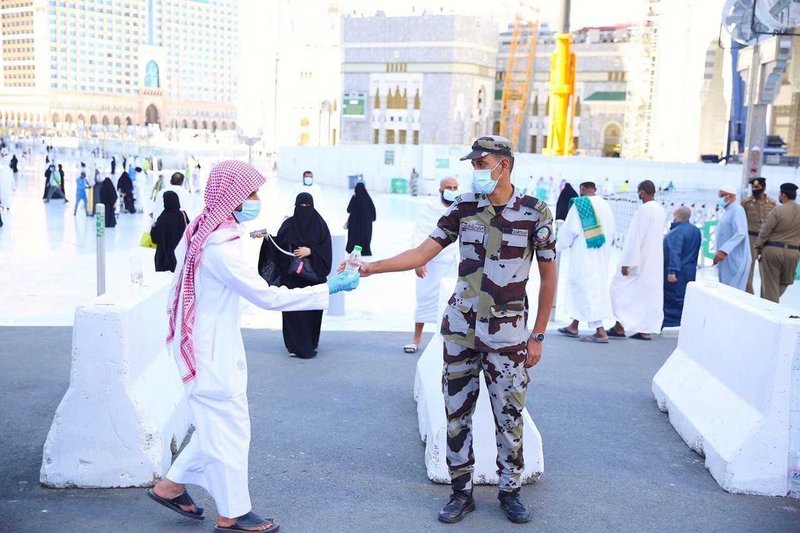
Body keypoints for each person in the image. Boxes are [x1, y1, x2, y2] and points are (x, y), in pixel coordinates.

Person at [349, 136, 557, 524]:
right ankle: (461, 493)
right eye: (473, 165)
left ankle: (509, 491)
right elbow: (422, 252)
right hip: (460, 332)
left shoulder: (535, 212)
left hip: (509, 337)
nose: (476, 172)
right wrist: (372, 267)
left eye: (482, 164)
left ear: (504, 166)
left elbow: (548, 277)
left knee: (509, 416)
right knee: (457, 415)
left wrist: (539, 334)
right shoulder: (463, 207)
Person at [147, 160, 358, 533]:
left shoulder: (203, 229)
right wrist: (329, 288)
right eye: (251, 194)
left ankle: (170, 486)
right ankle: (232, 513)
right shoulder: (220, 247)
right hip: (209, 353)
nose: (256, 200)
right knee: (230, 428)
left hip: (206, 343)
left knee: (218, 425)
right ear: (231, 198)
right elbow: (266, 297)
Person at [272, 192, 332, 358]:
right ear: (295, 207)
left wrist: (311, 251)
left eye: (307, 206)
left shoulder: (320, 225)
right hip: (292, 279)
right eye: (301, 206)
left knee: (311, 311)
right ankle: (294, 345)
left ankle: (311, 343)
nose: (304, 210)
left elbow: (327, 250)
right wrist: (268, 238)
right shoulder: (288, 225)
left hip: (313, 278)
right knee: (293, 311)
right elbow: (279, 245)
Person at [556, 181, 616, 343]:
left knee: (584, 288)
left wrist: (557, 246)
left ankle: (600, 331)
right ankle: (573, 326)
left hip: (583, 254)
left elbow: (569, 230)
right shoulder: (605, 204)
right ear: (595, 188)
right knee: (589, 288)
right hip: (601, 254)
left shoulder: (581, 204)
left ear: (582, 188)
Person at [404, 177, 459, 353]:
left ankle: (445, 340)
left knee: (450, 302)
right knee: (424, 300)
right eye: (448, 187)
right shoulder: (429, 209)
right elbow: (419, 233)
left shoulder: (461, 207)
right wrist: (418, 261)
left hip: (452, 263)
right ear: (440, 190)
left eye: (455, 187)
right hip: (430, 263)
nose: (452, 189)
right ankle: (416, 338)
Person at [609, 180, 666, 340]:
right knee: (647, 295)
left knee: (618, 289)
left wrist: (628, 262)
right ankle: (644, 329)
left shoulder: (644, 210)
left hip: (639, 260)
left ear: (642, 192)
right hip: (653, 260)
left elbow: (635, 237)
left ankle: (620, 326)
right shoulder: (660, 209)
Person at [754, 182, 800, 303]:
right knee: (785, 282)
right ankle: (767, 302)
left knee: (770, 285)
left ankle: (769, 307)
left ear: (783, 195)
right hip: (793, 253)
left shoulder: (778, 210)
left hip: (773, 251)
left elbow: (765, 230)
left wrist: (758, 247)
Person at [662, 206, 701, 328]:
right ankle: (683, 321)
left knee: (673, 297)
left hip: (677, 271)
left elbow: (674, 252)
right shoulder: (695, 231)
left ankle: (672, 322)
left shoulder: (676, 232)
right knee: (685, 297)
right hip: (690, 270)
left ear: (677, 216)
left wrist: (672, 271)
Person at [742, 177, 776, 294]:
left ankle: (766, 296)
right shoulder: (746, 202)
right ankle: (748, 293)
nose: (755, 189)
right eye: (753, 187)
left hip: (767, 239)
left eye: (757, 187)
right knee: (748, 267)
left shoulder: (772, 203)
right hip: (751, 237)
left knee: (766, 269)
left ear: (763, 187)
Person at [714, 184, 751, 291]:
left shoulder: (737, 210)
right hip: (727, 259)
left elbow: (740, 233)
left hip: (735, 258)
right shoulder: (728, 211)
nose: (719, 199)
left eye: (721, 196)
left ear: (730, 196)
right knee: (724, 290)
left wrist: (723, 251)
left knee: (733, 292)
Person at [151, 191, 189, 272]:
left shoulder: (162, 218)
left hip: (164, 259)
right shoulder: (183, 215)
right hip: (181, 256)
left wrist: (153, 227)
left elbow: (155, 239)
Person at [346, 182, 376, 255]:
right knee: (364, 237)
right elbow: (373, 212)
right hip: (366, 224)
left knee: (354, 236)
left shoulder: (354, 198)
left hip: (354, 223)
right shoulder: (368, 199)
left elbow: (348, 209)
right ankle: (365, 251)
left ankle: (352, 249)